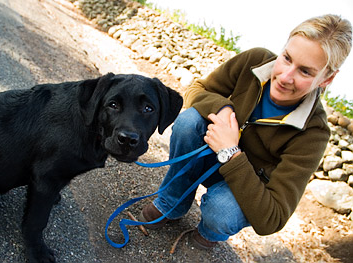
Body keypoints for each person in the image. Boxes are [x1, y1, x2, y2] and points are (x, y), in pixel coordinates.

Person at [138, 14, 352, 249]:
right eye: (287, 58)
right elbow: (197, 88)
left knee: (221, 212)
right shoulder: (255, 60)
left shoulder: (314, 133)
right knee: (189, 122)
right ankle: (171, 203)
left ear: (327, 78)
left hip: (242, 188)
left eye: (305, 72)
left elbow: (273, 219)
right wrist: (222, 110)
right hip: (208, 155)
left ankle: (210, 233)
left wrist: (230, 152)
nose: (285, 76)